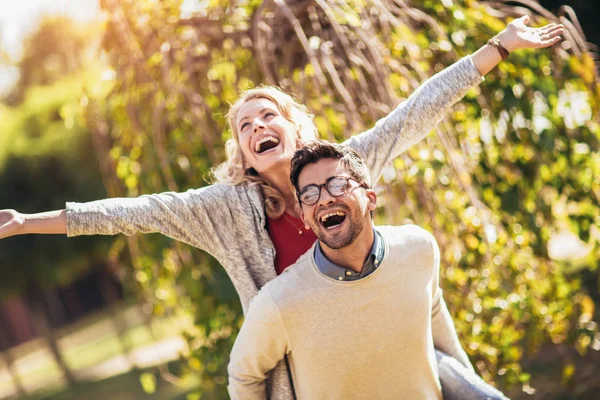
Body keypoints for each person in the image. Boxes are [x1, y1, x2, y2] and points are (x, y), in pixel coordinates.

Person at [0, 15, 562, 399]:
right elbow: (134, 211)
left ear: (297, 129)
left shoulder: (345, 163)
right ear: (242, 153)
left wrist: (499, 47)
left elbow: (417, 112)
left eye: (269, 116)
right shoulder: (223, 209)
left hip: (389, 335)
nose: (257, 128)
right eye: (245, 127)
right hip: (317, 374)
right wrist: (28, 223)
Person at [227, 141, 506, 399]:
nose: (324, 200)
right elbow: (244, 375)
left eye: (337, 185)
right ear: (305, 217)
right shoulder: (280, 300)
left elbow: (440, 332)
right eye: (310, 194)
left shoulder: (418, 249)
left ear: (370, 198)